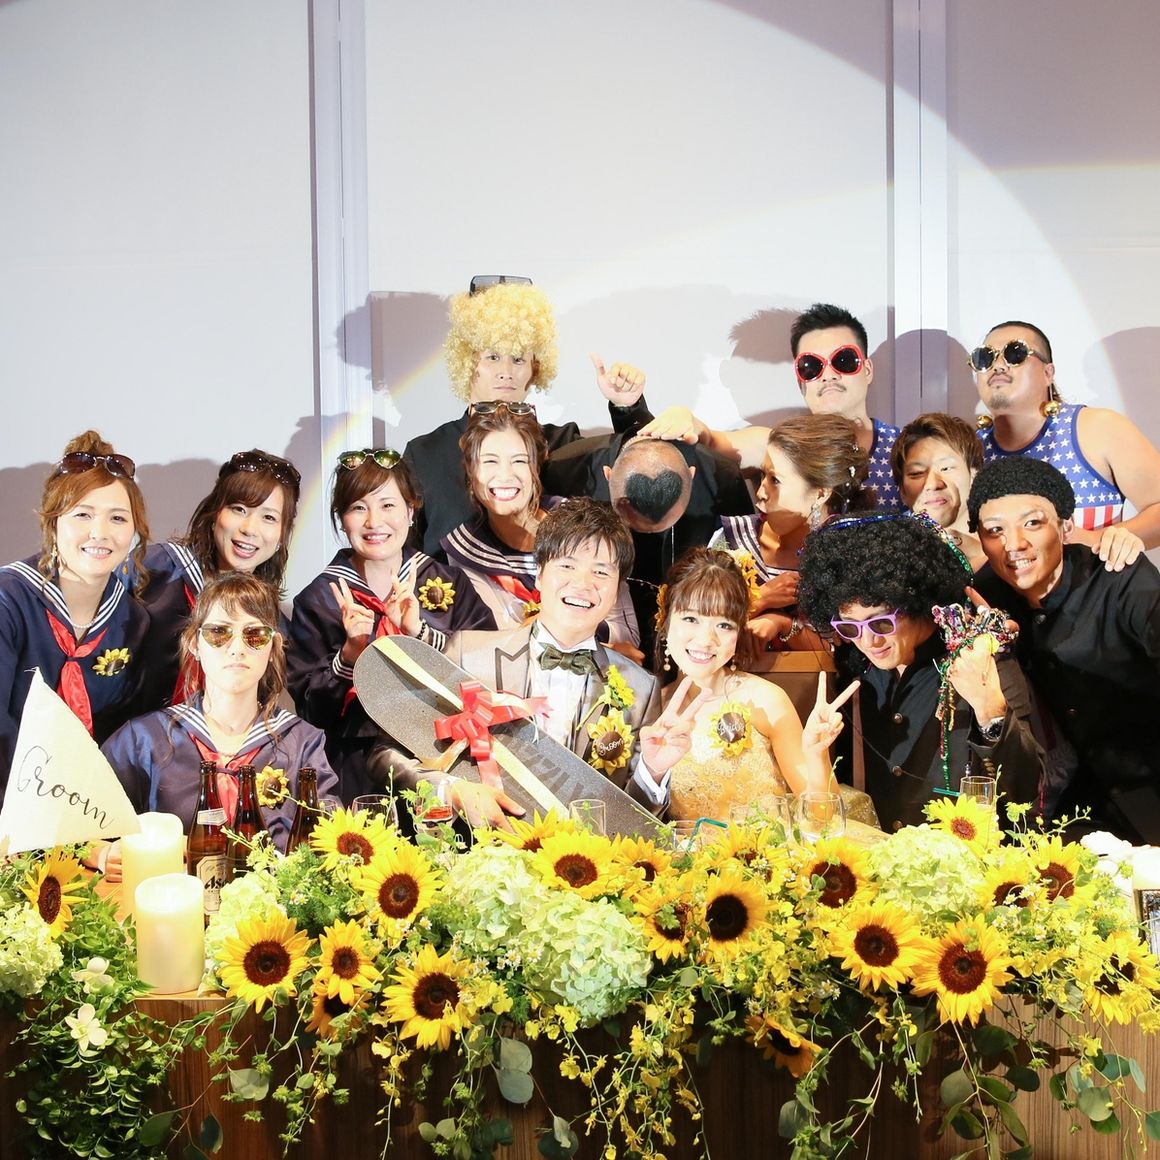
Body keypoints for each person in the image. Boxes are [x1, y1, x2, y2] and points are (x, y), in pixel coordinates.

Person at [363, 498, 664, 829]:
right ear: (540, 573)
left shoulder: (640, 689)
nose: (583, 583)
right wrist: (452, 791)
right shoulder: (468, 654)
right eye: (567, 566)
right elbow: (385, 756)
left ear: (617, 589)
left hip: (585, 858)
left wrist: (653, 773)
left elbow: (636, 823)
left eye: (601, 572)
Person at [797, 512, 1042, 832]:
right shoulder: (857, 676)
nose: (868, 641)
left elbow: (1028, 793)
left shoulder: (980, 659)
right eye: (850, 627)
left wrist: (991, 713)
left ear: (918, 602)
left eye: (881, 623)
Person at [967, 457, 1160, 843]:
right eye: (995, 530)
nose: (1014, 544)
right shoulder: (986, 597)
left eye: (1032, 523)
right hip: (1070, 809)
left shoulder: (1119, 577)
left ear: (1066, 526)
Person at [288, 450, 494, 802]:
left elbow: (489, 672)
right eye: (358, 507)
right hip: (354, 771)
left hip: (446, 758)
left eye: (387, 505)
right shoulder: (319, 600)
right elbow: (312, 712)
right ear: (342, 519)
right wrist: (349, 656)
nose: (374, 522)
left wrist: (420, 634)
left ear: (411, 511)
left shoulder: (450, 584)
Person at [402, 278, 651, 556]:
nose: (506, 372)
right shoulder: (425, 454)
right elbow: (404, 554)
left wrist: (628, 409)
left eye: (518, 359)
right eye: (493, 357)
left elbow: (648, 478)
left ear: (535, 369)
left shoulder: (562, 445)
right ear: (468, 362)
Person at [103, 573, 339, 861]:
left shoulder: (303, 744)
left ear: (273, 647)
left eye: (255, 635)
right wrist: (101, 853)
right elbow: (79, 824)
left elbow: (332, 843)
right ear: (194, 643)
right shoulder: (143, 740)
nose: (237, 648)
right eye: (219, 632)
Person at [638, 548, 861, 822]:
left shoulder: (765, 700)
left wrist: (817, 756)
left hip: (763, 849)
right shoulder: (649, 708)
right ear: (664, 621)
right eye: (691, 619)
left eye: (724, 625)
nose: (706, 640)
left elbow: (824, 818)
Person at [638, 302, 904, 510]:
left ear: (867, 370)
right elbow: (713, 441)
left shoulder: (905, 449)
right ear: (800, 381)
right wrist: (684, 417)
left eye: (843, 360)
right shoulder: (781, 448)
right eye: (811, 366)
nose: (828, 375)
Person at [0, 431, 150, 800]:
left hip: (88, 811)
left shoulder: (132, 622)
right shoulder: (10, 600)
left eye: (118, 518)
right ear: (53, 523)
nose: (100, 533)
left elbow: (123, 741)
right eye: (83, 515)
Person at [542, 432, 754, 656]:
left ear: (692, 477)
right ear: (608, 475)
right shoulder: (567, 470)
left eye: (664, 524)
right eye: (634, 523)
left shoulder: (720, 477)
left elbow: (739, 567)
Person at [971, 318, 1160, 568]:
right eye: (984, 358)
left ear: (1048, 373)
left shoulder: (1097, 428)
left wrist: (1096, 540)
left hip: (1095, 589)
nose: (997, 365)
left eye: (1014, 353)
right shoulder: (968, 451)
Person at [441, 406, 638, 645]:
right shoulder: (466, 548)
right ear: (471, 469)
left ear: (537, 465)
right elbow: (496, 639)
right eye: (490, 461)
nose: (505, 476)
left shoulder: (582, 522)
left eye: (519, 461)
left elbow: (626, 636)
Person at [137, 448, 301, 708]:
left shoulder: (271, 623)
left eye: (269, 517)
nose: (249, 529)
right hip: (134, 731)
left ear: (283, 534)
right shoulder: (157, 569)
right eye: (239, 509)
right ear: (215, 513)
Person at [712, 414, 871, 655]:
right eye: (762, 475)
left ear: (820, 494)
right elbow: (695, 625)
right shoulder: (731, 540)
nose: (760, 492)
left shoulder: (852, 557)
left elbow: (851, 652)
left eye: (775, 480)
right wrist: (761, 598)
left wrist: (782, 624)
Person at [891, 413, 986, 571]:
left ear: (974, 475)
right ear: (902, 492)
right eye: (916, 473)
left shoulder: (1008, 556)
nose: (932, 484)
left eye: (946, 468)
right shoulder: (893, 565)